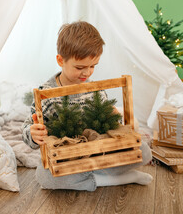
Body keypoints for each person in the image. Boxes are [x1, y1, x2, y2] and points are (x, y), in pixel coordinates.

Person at [22, 21, 153, 191]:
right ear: (61, 60)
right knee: (44, 177)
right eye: (80, 67)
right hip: (67, 157)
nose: (87, 72)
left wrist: (113, 116)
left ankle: (90, 175)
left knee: (143, 151)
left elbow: (109, 125)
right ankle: (116, 179)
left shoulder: (95, 91)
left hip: (97, 152)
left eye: (93, 66)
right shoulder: (46, 94)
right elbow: (28, 129)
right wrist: (33, 134)